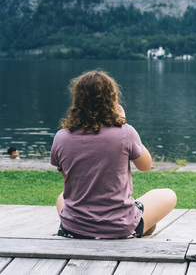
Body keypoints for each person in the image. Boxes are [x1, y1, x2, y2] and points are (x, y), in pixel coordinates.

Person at [51, 70, 176, 239]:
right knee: (168, 194)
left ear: (78, 101)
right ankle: (138, 225)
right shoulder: (125, 132)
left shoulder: (61, 137)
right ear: (112, 99)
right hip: (119, 227)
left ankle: (84, 227)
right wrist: (124, 123)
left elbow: (70, 180)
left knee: (61, 197)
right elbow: (146, 166)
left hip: (73, 228)